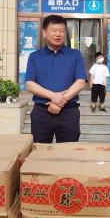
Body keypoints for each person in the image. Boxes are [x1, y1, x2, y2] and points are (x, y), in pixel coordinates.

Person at [25, 15, 87, 143]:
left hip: (68, 112)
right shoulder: (35, 56)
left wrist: (60, 101)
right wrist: (53, 96)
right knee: (40, 151)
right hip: (42, 112)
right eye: (54, 30)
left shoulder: (75, 55)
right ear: (44, 32)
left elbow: (81, 82)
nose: (58, 34)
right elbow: (29, 84)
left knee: (68, 151)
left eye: (62, 31)